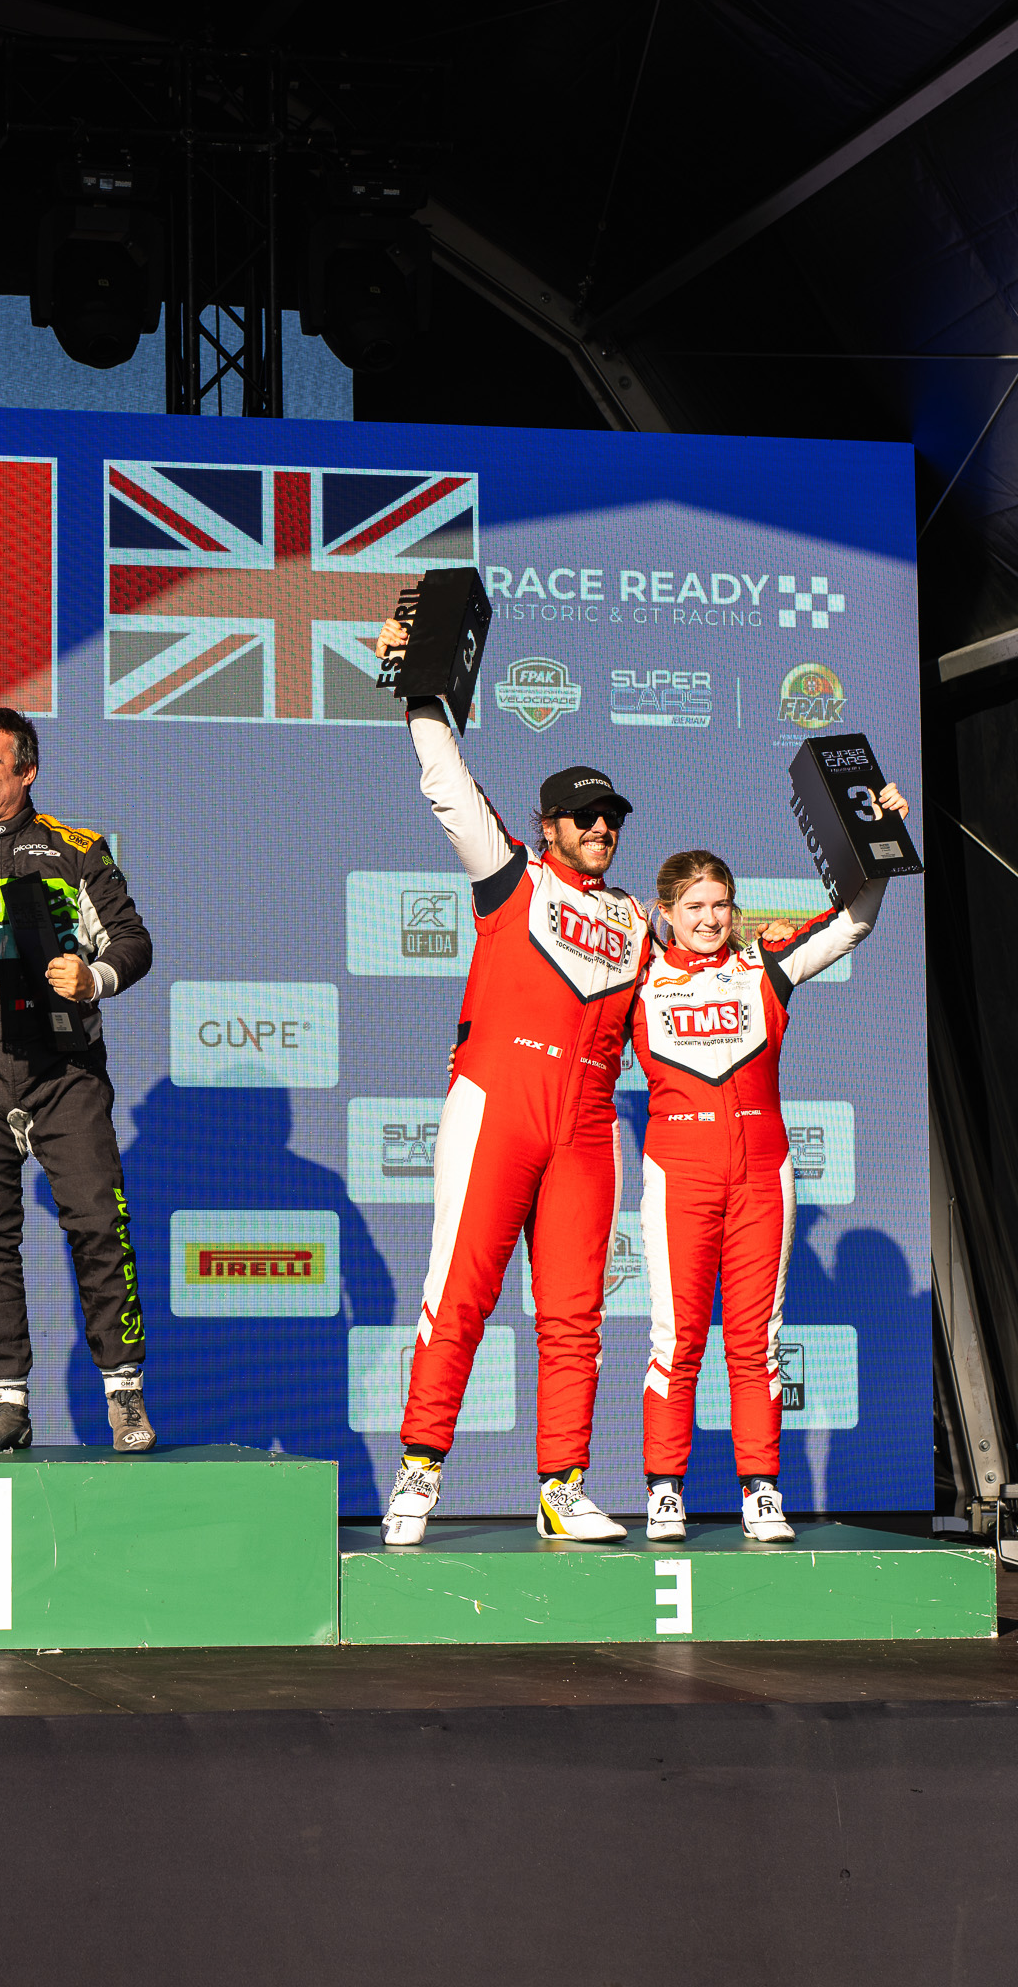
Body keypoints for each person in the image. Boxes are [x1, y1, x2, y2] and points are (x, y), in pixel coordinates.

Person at [374, 618, 651, 1545]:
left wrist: (873, 849)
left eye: (612, 817)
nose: (602, 827)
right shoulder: (513, 876)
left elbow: (716, 979)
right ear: (549, 827)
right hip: (499, 1105)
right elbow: (448, 784)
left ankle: (563, 1487)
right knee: (459, 1294)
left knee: (575, 1317)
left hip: (586, 1129)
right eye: (585, 816)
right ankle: (420, 1471)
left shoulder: (640, 920)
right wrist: (417, 682)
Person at [633, 806, 904, 1543]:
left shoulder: (766, 966)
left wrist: (879, 840)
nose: (710, 919)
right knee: (676, 1340)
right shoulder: (638, 976)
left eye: (721, 905)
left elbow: (852, 923)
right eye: (694, 907)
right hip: (679, 1176)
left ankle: (761, 1489)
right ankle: (665, 1489)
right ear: (666, 912)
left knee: (757, 1341)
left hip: (763, 1175)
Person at [0, 708, 156, 1454]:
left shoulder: (75, 848)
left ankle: (123, 1391)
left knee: (98, 1221)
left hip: (63, 1070)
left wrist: (93, 977)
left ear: (26, 771)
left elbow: (132, 941)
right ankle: (6, 1404)